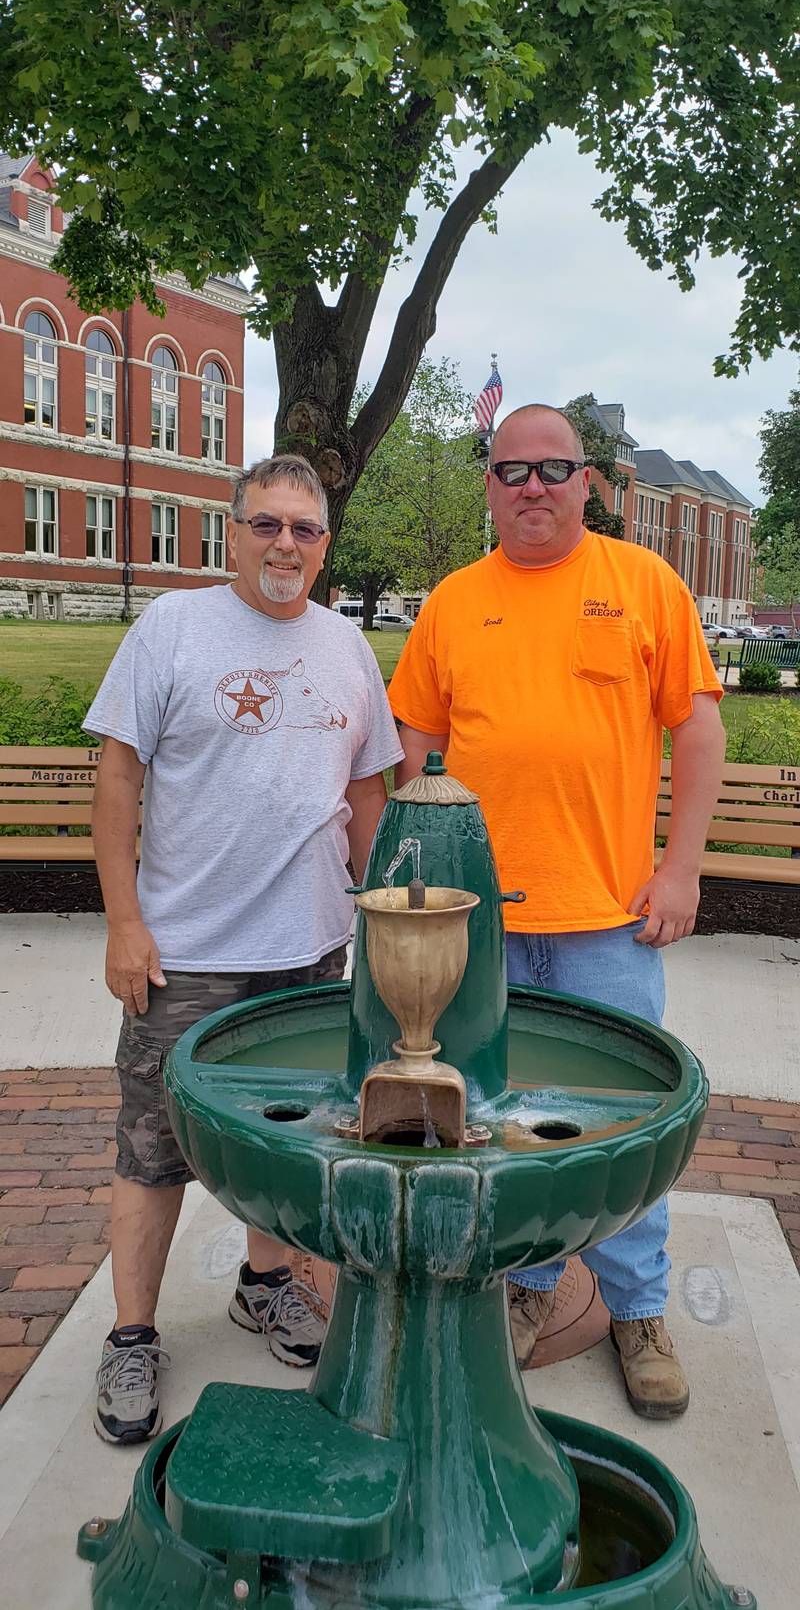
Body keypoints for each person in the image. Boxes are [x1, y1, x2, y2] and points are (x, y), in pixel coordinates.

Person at [388, 403, 725, 1420]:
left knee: (620, 1124)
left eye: (550, 468)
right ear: (487, 486)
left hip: (604, 922)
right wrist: (419, 878)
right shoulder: (452, 600)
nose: (530, 486)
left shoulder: (643, 585)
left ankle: (637, 1307)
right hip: (479, 925)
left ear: (588, 482)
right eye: (509, 470)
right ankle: (531, 1283)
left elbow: (698, 733)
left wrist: (680, 869)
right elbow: (413, 744)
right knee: (498, 1113)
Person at [84, 454, 403, 1445]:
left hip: (307, 949)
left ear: (323, 543)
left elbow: (367, 793)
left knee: (287, 1135)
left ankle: (266, 1282)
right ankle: (132, 1331)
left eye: (304, 529)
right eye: (266, 523)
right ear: (233, 530)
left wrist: (378, 917)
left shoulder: (347, 645)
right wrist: (124, 921)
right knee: (153, 1147)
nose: (284, 544)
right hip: (183, 952)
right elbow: (118, 777)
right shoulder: (172, 629)